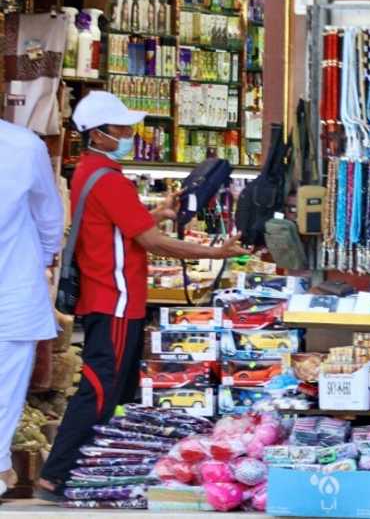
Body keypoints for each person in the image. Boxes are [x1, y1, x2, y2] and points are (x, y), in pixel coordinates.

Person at [37, 92, 250, 500]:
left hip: (109, 297)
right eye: (120, 128)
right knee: (101, 388)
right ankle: (56, 475)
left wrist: (158, 213)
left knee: (114, 388)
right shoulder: (110, 179)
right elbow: (153, 243)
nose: (129, 133)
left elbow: (119, 227)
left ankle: (88, 471)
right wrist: (216, 252)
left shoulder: (91, 171)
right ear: (98, 135)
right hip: (114, 298)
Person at [0, 120, 63, 495]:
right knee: (4, 391)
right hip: (14, 293)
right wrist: (35, 263)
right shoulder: (23, 146)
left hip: (15, 294)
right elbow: (48, 219)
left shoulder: (25, 145)